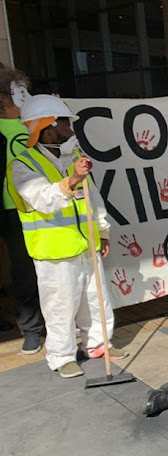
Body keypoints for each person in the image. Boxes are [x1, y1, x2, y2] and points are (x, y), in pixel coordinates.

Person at [7, 95, 127, 377]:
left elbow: (93, 199)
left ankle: (98, 344)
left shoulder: (72, 160)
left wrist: (102, 231)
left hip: (86, 245)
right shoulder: (23, 166)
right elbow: (43, 199)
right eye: (64, 123)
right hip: (55, 251)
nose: (71, 130)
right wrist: (72, 180)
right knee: (60, 306)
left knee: (97, 300)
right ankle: (62, 357)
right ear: (46, 128)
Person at [0, 68, 44, 353]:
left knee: (35, 269)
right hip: (8, 210)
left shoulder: (36, 125)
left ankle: (41, 327)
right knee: (22, 270)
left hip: (33, 207)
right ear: (5, 97)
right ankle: (30, 328)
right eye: (19, 91)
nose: (24, 97)